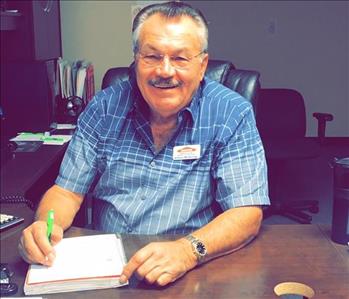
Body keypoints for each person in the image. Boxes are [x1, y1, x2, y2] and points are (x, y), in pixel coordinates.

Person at [19, 1, 269, 287]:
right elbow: (66, 193)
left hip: (190, 267)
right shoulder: (103, 108)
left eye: (180, 59)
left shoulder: (231, 113)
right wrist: (43, 226)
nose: (165, 71)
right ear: (136, 60)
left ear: (202, 66)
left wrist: (188, 251)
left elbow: (247, 212)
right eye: (152, 56)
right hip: (107, 267)